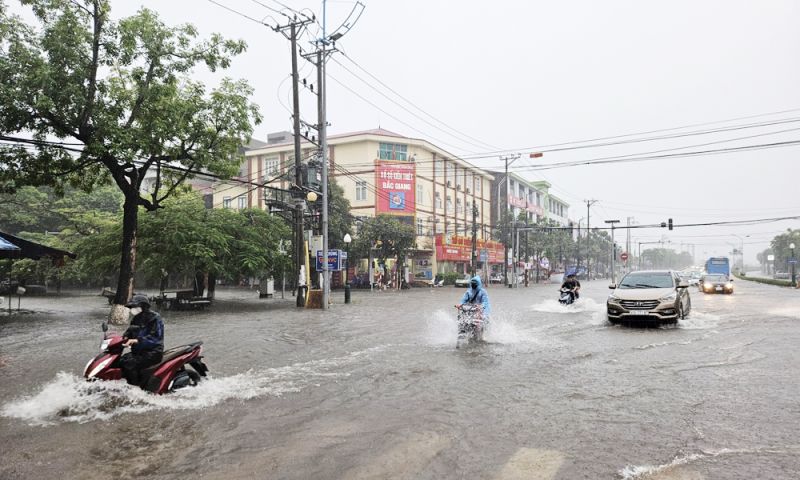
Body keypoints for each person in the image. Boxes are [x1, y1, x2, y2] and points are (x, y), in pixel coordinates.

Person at [120, 294, 164, 387]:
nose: (133, 309)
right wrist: (123, 339)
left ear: (143, 306)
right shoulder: (136, 319)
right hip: (138, 352)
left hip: (153, 352)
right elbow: (128, 333)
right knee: (120, 361)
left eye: (135, 307)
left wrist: (137, 341)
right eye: (132, 307)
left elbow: (156, 338)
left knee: (130, 364)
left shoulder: (155, 318)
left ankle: (136, 388)